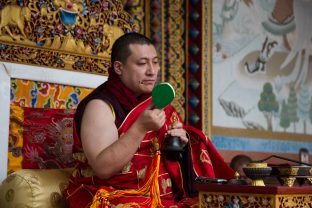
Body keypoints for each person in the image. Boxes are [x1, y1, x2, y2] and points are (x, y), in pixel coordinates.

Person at [63, 32, 235, 208]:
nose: (152, 71)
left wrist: (181, 144)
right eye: (142, 63)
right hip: (112, 196)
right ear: (118, 67)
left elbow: (172, 165)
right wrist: (139, 128)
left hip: (161, 198)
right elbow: (103, 168)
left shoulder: (155, 103)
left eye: (155, 62)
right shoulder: (100, 107)